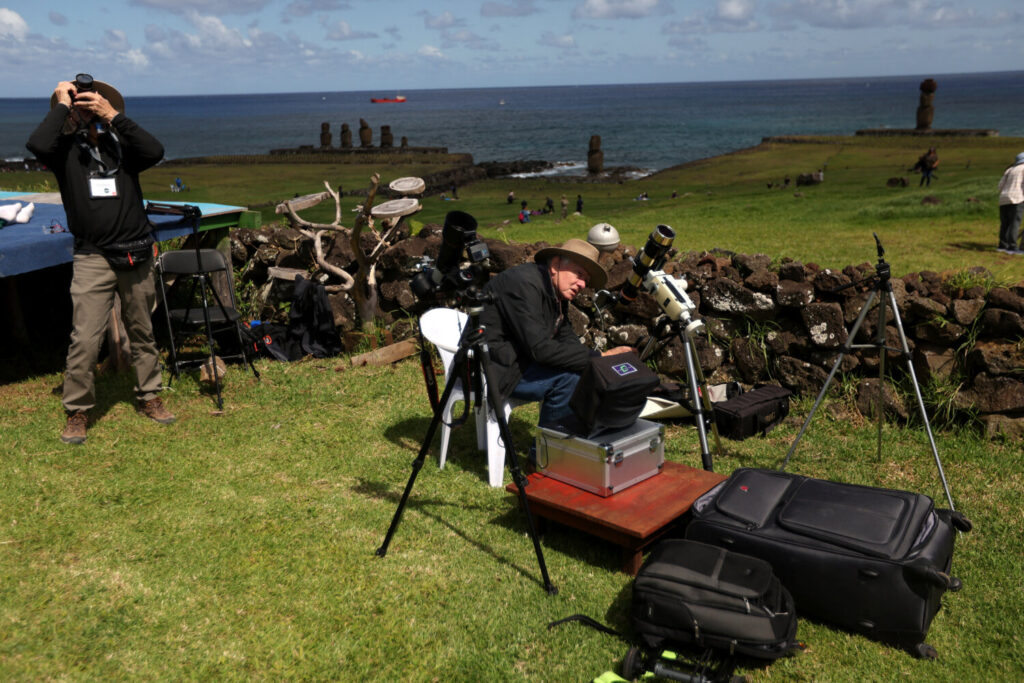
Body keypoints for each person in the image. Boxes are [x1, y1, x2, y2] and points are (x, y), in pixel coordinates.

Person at [26, 74, 175, 444]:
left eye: (92, 103)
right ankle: (77, 411)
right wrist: (62, 104)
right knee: (85, 339)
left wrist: (112, 116)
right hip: (92, 255)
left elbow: (155, 150)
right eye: (81, 106)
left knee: (142, 330)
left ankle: (150, 396)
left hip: (135, 251)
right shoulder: (64, 153)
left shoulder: (123, 146)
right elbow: (36, 143)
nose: (87, 111)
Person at [480, 238, 633, 429]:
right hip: (492, 368)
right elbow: (540, 349)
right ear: (555, 265)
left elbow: (564, 334)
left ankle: (576, 439)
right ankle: (547, 455)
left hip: (519, 360)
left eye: (585, 279)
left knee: (583, 372)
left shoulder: (553, 290)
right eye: (579, 274)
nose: (582, 284)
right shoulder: (523, 284)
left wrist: (595, 363)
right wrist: (600, 356)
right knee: (569, 381)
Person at [997, 152, 1024, 254]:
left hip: (1003, 199)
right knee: (1015, 223)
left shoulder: (1010, 170)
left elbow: (1000, 186)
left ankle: (1002, 245)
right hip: (1017, 199)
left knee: (1005, 223)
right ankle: (1012, 247)